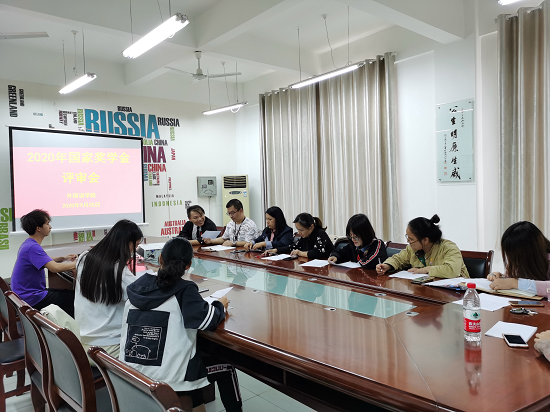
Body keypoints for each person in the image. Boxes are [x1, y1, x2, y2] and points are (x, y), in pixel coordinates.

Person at [120, 237, 242, 412]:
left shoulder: (137, 286)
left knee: (190, 359)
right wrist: (220, 305)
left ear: (160, 258)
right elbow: (207, 321)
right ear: (188, 265)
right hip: (169, 379)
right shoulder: (185, 290)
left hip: (132, 374)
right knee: (226, 368)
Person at [75, 219, 143, 358]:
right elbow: (141, 296)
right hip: (108, 348)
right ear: (126, 243)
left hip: (82, 341)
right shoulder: (119, 272)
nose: (135, 250)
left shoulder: (84, 258)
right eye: (135, 245)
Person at [11, 209, 77, 317]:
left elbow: (43, 259)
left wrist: (63, 258)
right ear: (38, 228)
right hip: (31, 298)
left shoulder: (28, 244)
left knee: (70, 294)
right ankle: (71, 326)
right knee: (74, 299)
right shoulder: (33, 247)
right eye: (47, 224)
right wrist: (79, 263)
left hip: (26, 294)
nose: (50, 227)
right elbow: (54, 268)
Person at [376, 214, 469, 278]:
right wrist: (386, 266)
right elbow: (398, 259)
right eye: (407, 237)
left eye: (411, 239)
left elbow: (452, 270)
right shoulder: (412, 249)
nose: (408, 241)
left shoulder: (448, 248)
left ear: (425, 240)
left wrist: (426, 270)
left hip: (458, 293)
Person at [487, 221, 550, 295]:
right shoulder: (521, 262)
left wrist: (515, 283)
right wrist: (500, 277)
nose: (512, 260)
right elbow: (512, 278)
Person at [267, 213, 334, 259]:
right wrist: (276, 250)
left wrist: (300, 253)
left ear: (311, 227)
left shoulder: (320, 234)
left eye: (301, 230)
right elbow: (293, 247)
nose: (299, 233)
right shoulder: (305, 235)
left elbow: (317, 253)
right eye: (298, 230)